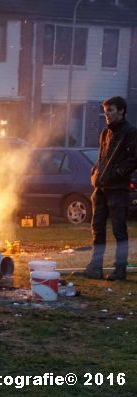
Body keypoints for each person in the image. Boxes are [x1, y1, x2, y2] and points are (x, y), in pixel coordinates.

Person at [82, 96, 137, 281]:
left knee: (119, 230)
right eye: (105, 111)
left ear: (121, 111)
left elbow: (133, 160)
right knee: (97, 228)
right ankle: (94, 267)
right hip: (101, 187)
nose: (107, 115)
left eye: (111, 111)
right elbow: (101, 158)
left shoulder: (130, 133)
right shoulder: (105, 133)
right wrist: (95, 173)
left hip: (118, 189)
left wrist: (116, 173)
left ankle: (119, 270)